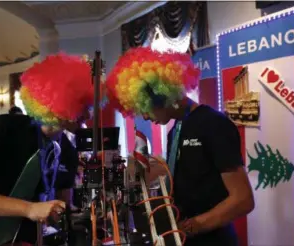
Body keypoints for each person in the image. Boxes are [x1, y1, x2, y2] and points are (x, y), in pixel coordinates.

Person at [106, 47, 254, 245]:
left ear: (162, 96)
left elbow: (243, 199)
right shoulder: (176, 129)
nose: (146, 117)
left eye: (147, 109)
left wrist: (192, 226)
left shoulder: (214, 124)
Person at [0, 53, 96, 246]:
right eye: (82, 105)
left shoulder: (67, 152)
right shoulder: (3, 129)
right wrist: (28, 209)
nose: (88, 114)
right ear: (58, 101)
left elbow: (61, 208)